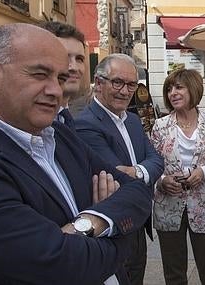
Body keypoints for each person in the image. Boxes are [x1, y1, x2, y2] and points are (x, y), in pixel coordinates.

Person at [0, 23, 152, 284]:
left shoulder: (60, 136)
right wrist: (121, 234)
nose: (55, 91)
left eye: (60, 79)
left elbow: (138, 192)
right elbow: (62, 266)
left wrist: (91, 221)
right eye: (40, 75)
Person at [75, 54, 164, 285]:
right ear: (99, 82)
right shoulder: (86, 124)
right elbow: (116, 177)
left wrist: (136, 172)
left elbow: (157, 160)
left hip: (137, 224)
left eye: (131, 85)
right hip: (111, 227)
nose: (125, 91)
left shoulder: (133, 120)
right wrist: (142, 172)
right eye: (118, 82)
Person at [150, 68, 205, 285]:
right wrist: (162, 181)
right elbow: (151, 164)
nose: (173, 93)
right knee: (174, 273)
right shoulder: (160, 126)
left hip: (204, 205)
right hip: (168, 206)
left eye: (179, 87)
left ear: (194, 89)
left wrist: (204, 171)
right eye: (169, 89)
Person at [39, 21, 87, 130]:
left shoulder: (67, 119)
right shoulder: (30, 126)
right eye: (64, 57)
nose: (74, 67)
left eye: (79, 59)